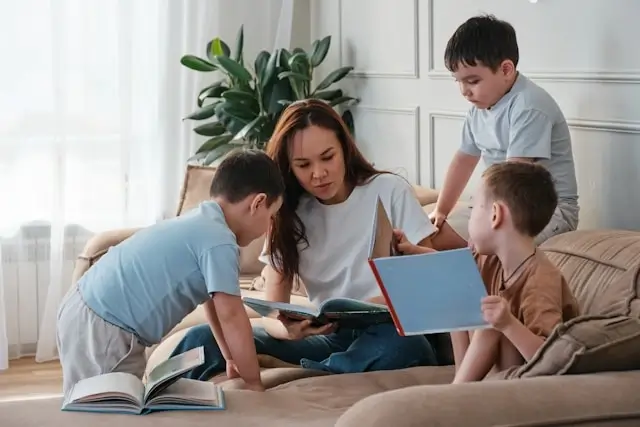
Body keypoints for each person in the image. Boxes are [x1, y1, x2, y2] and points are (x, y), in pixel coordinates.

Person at [169, 99, 451, 381]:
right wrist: (288, 330)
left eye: (328, 157)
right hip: (330, 337)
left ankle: (315, 371)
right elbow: (272, 314)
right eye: (303, 165)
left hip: (392, 330)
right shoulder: (288, 212)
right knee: (201, 338)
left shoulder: (389, 190)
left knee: (402, 346)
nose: (318, 173)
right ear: (289, 167)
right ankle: (147, 398)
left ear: (345, 148)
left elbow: (432, 278)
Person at [56, 149, 284, 395]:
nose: (269, 228)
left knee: (86, 403)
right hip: (107, 327)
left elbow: (212, 305)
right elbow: (232, 316)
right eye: (271, 217)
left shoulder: (202, 221)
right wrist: (254, 384)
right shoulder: (220, 241)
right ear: (258, 203)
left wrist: (231, 358)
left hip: (84, 306)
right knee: (112, 409)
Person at [395, 161, 580, 383]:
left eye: (473, 208)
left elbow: (551, 359)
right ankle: (461, 385)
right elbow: (449, 269)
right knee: (460, 293)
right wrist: (413, 250)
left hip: (520, 380)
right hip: (487, 377)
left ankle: (456, 394)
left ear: (495, 215)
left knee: (489, 322)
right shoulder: (489, 258)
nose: (470, 217)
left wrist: (508, 324)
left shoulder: (540, 279)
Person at [432, 14, 579, 244]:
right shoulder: (479, 108)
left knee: (488, 246)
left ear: (506, 70)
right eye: (458, 81)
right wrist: (441, 211)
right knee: (430, 236)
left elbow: (513, 178)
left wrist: (483, 227)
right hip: (500, 204)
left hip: (545, 211)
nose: (464, 91)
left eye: (472, 81)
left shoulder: (529, 106)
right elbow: (463, 161)